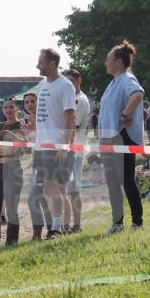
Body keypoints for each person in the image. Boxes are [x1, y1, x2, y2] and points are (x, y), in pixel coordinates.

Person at [97, 40, 146, 233]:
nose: (106, 63)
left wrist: (125, 114)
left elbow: (138, 94)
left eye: (108, 59)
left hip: (122, 137)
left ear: (118, 61)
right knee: (112, 182)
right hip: (109, 138)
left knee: (126, 180)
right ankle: (117, 222)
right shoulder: (113, 83)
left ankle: (137, 222)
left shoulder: (127, 79)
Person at [33, 48, 76, 240]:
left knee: (54, 186)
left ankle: (57, 228)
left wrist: (63, 146)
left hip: (55, 145)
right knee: (46, 188)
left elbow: (70, 117)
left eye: (41, 62)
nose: (37, 65)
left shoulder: (65, 86)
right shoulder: (42, 85)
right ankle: (55, 227)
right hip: (41, 145)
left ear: (52, 63)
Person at [0, 98, 26, 248]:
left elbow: (18, 147)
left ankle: (11, 242)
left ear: (16, 109)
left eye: (11, 107)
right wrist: (4, 151)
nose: (8, 110)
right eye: (5, 107)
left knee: (11, 209)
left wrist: (10, 140)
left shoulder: (21, 125)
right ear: (2, 110)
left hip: (13, 168)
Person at [63, 68, 91, 234]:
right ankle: (73, 225)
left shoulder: (79, 100)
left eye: (71, 82)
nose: (69, 86)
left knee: (73, 190)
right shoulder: (71, 99)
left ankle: (77, 225)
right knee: (69, 190)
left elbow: (73, 125)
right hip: (69, 149)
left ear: (79, 81)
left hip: (74, 149)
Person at [22, 92, 50, 241]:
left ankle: (40, 232)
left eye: (33, 101)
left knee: (34, 198)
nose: (30, 104)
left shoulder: (44, 119)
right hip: (36, 164)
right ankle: (48, 230)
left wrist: (36, 126)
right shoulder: (27, 123)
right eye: (26, 102)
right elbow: (28, 149)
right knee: (41, 198)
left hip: (48, 162)